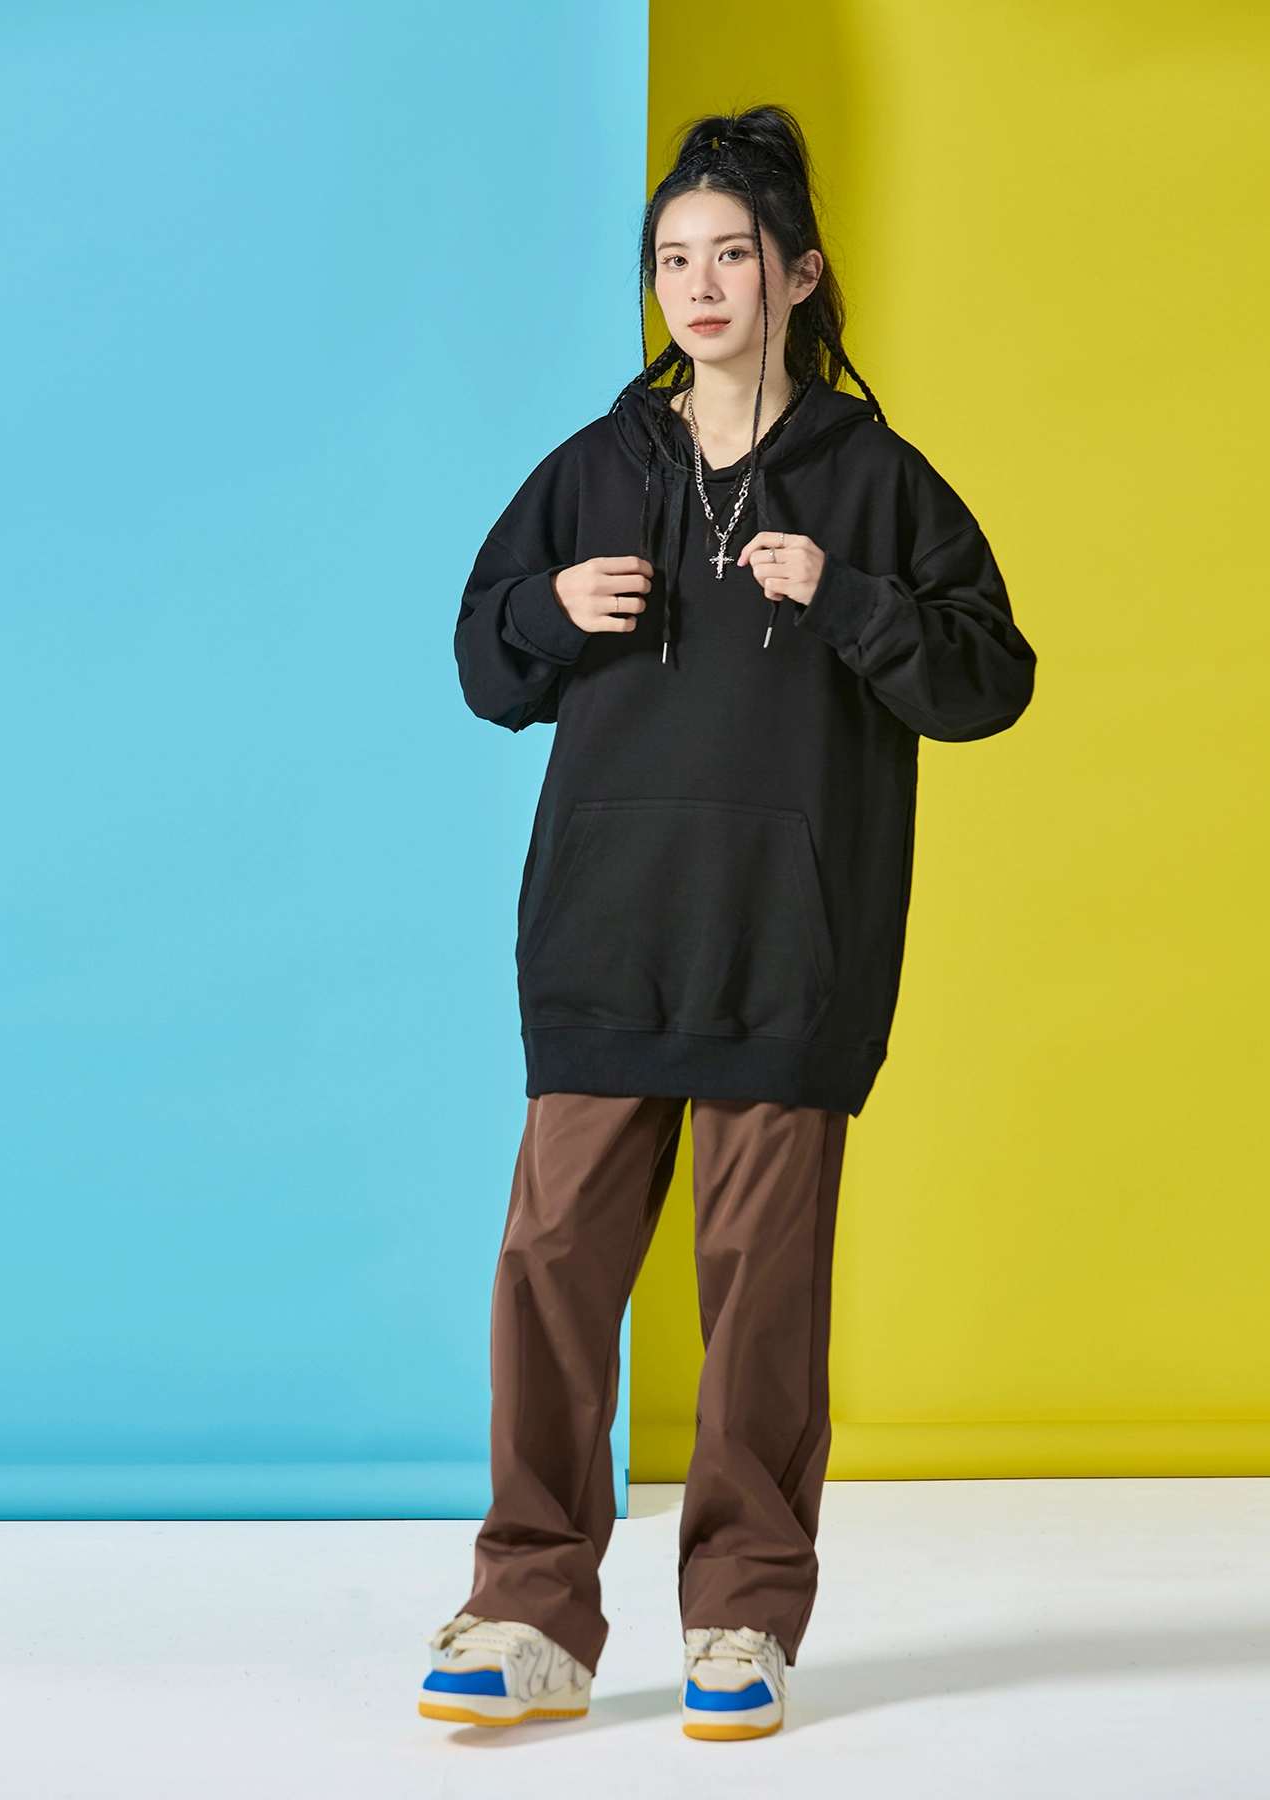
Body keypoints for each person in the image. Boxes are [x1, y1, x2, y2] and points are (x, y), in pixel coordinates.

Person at [419, 105, 1035, 1740]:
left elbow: (990, 680)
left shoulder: (874, 482)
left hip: (787, 948)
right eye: (672, 259)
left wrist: (846, 597)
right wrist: (548, 609)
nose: (697, 285)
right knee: (553, 1268)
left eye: (731, 255)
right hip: (604, 937)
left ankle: (744, 1616)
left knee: (761, 1292)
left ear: (798, 275)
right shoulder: (593, 469)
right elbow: (481, 663)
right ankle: (528, 1612)